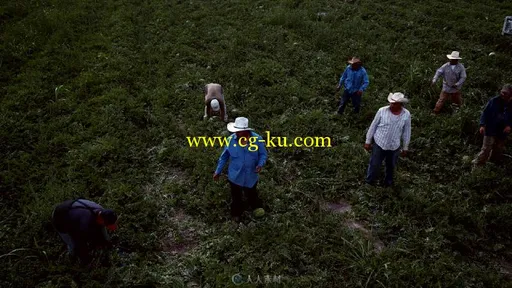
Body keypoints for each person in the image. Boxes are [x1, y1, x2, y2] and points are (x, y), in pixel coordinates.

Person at [213, 117, 268, 222]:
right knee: (236, 196)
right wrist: (217, 171)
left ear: (246, 131)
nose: (237, 134)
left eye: (239, 132)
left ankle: (255, 206)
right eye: (236, 132)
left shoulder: (257, 140)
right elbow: (224, 157)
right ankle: (236, 213)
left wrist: (260, 164)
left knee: (252, 193)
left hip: (251, 175)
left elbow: (263, 154)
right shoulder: (230, 140)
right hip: (235, 177)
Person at [51, 198, 118, 265]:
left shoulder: (102, 211)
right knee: (75, 247)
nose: (114, 227)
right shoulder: (83, 224)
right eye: (110, 224)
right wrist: (86, 259)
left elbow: (101, 229)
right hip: (59, 217)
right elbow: (79, 243)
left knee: (102, 237)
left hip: (72, 207)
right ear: (102, 220)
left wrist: (106, 242)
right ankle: (72, 261)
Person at [364, 93, 411, 187]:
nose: (391, 105)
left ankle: (388, 184)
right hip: (379, 143)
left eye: (394, 104)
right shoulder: (382, 111)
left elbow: (407, 131)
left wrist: (405, 147)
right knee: (374, 164)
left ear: (400, 104)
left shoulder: (406, 114)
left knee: (391, 166)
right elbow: (373, 126)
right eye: (391, 103)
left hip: (394, 146)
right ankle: (369, 182)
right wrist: (368, 141)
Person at [472, 84, 512, 166]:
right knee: (486, 148)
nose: (502, 95)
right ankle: (478, 164)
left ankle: (492, 164)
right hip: (491, 128)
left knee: (498, 148)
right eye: (502, 92)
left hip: (502, 130)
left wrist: (509, 126)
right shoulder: (494, 101)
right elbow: (485, 113)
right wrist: (482, 125)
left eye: (505, 93)